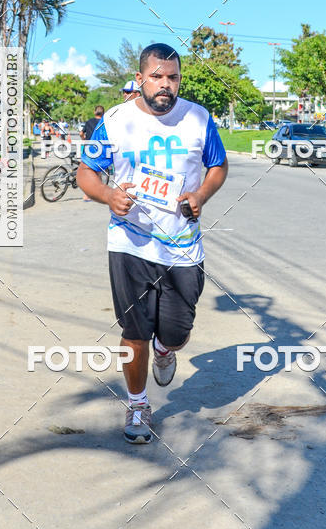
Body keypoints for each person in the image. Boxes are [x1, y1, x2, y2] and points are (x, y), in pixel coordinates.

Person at [77, 43, 228, 444]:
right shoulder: (115, 120)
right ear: (140, 78)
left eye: (173, 78)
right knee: (134, 331)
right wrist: (108, 196)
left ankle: (165, 349)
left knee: (177, 333)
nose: (165, 85)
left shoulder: (198, 118)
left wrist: (201, 195)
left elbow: (217, 165)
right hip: (130, 244)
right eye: (157, 77)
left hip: (182, 247)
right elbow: (86, 172)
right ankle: (138, 403)